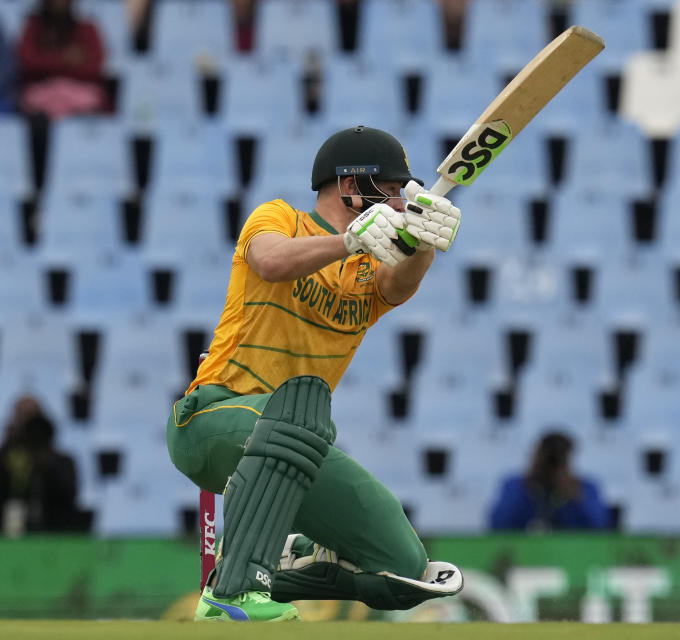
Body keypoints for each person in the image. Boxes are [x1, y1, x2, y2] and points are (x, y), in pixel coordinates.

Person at [166, 125, 464, 622]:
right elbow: (270, 260)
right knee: (300, 412)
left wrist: (424, 241)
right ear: (351, 187)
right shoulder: (279, 217)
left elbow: (401, 279)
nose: (396, 204)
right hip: (213, 421)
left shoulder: (368, 274)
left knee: (402, 565)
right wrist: (346, 241)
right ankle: (232, 595)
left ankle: (274, 559)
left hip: (292, 448)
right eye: (390, 191)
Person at [489, 430, 612, 531]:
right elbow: (498, 524)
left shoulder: (585, 488)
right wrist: (528, 485)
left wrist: (576, 495)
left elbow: (601, 527)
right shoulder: (515, 485)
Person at [0, 395, 82, 535]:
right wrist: (9, 446)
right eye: (22, 416)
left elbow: (69, 496)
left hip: (55, 530)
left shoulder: (62, 461)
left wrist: (47, 461)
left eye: (32, 416)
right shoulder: (6, 457)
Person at [16, 0, 106, 119]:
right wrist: (65, 59)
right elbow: (27, 61)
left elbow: (95, 65)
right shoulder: (33, 26)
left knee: (90, 103)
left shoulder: (86, 27)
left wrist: (48, 60)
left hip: (81, 94)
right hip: (40, 93)